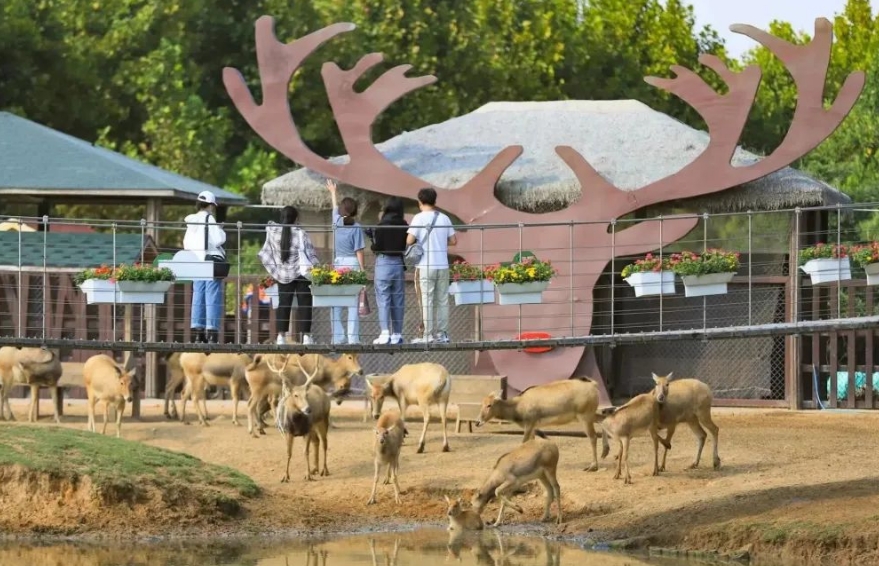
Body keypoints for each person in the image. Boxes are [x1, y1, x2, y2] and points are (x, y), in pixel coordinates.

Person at [258, 205, 320, 345]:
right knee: (305, 303)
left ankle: (281, 337)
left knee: (284, 304)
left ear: (282, 218)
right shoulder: (301, 233)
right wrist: (318, 266)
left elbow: (269, 229)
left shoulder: (274, 233)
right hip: (302, 273)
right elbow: (311, 254)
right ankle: (306, 337)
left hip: (283, 274)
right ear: (296, 218)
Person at [406, 187, 456, 343]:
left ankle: (427, 335)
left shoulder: (418, 218)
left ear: (420, 202)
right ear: (435, 201)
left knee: (426, 300)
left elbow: (409, 241)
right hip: (443, 265)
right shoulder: (444, 218)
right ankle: (443, 334)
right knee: (442, 300)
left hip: (425, 266)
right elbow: (454, 241)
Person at [182, 190, 227, 344]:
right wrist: (220, 229)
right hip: (209, 261)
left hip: (195, 261)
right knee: (212, 295)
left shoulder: (191, 221)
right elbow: (218, 240)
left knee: (198, 296)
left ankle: (198, 332)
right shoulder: (209, 218)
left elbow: (186, 244)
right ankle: (212, 332)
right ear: (211, 205)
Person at [326, 179, 366, 345]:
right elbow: (359, 251)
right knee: (353, 303)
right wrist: (362, 270)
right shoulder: (356, 227)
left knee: (335, 302)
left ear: (342, 210)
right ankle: (353, 338)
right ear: (355, 211)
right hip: (353, 264)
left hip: (339, 264)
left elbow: (335, 209)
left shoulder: (336, 222)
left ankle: (338, 336)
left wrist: (333, 192)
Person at [367, 197, 408, 345]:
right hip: (398, 263)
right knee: (398, 299)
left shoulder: (381, 225)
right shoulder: (404, 225)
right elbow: (405, 244)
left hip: (383, 263)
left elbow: (377, 247)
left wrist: (372, 240)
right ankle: (397, 334)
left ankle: (385, 333)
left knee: (383, 298)